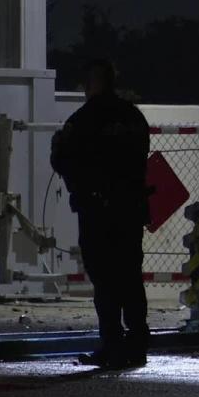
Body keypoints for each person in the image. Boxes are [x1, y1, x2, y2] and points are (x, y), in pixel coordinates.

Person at [50, 59, 151, 369]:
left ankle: (111, 344)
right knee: (131, 275)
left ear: (90, 85)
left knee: (105, 278)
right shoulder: (133, 116)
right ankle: (137, 343)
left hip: (98, 211)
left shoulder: (83, 119)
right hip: (131, 208)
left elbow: (61, 159)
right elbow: (141, 156)